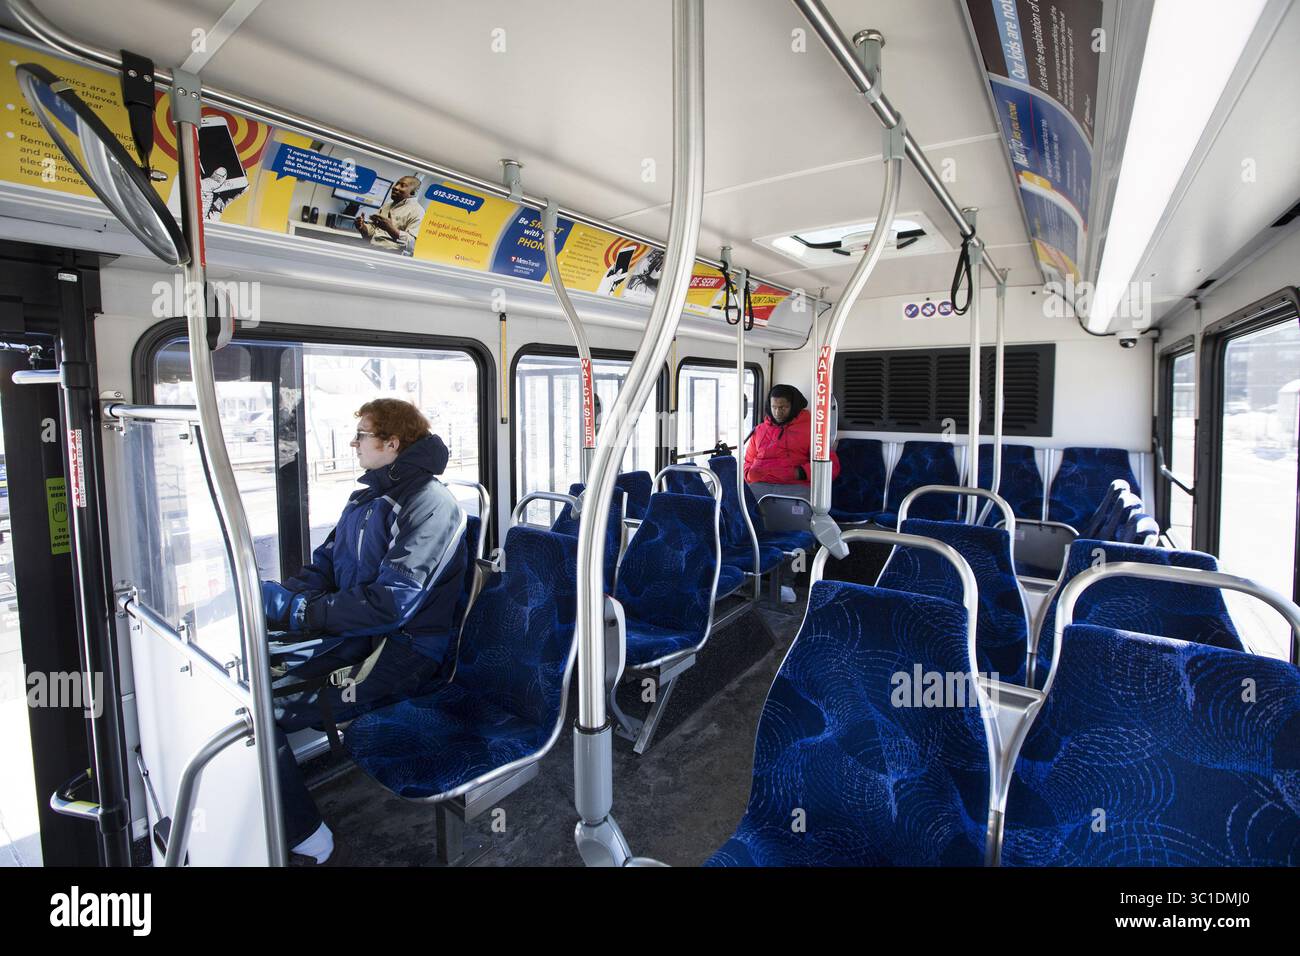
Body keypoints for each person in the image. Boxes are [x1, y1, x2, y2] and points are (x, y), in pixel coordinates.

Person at [260, 398, 467, 864]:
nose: (353, 443)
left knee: (257, 709)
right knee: (248, 675)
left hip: (403, 650)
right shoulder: (366, 499)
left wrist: (301, 615)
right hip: (361, 634)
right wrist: (282, 602)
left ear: (392, 443)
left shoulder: (430, 505)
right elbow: (328, 566)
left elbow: (393, 602)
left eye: (362, 435)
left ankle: (307, 837)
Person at [743, 384, 840, 502]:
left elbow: (830, 466)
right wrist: (748, 474)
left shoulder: (812, 430)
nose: (778, 412)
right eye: (774, 407)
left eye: (783, 407)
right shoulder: (759, 430)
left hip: (794, 487)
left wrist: (801, 473)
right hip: (758, 485)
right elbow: (748, 461)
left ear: (794, 406)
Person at [354, 175, 424, 254]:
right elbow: (372, 233)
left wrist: (390, 229)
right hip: (373, 249)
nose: (395, 187)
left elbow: (412, 244)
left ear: (412, 193)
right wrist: (362, 227)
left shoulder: (417, 211)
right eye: (396, 184)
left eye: (402, 186)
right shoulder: (386, 206)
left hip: (392, 254)